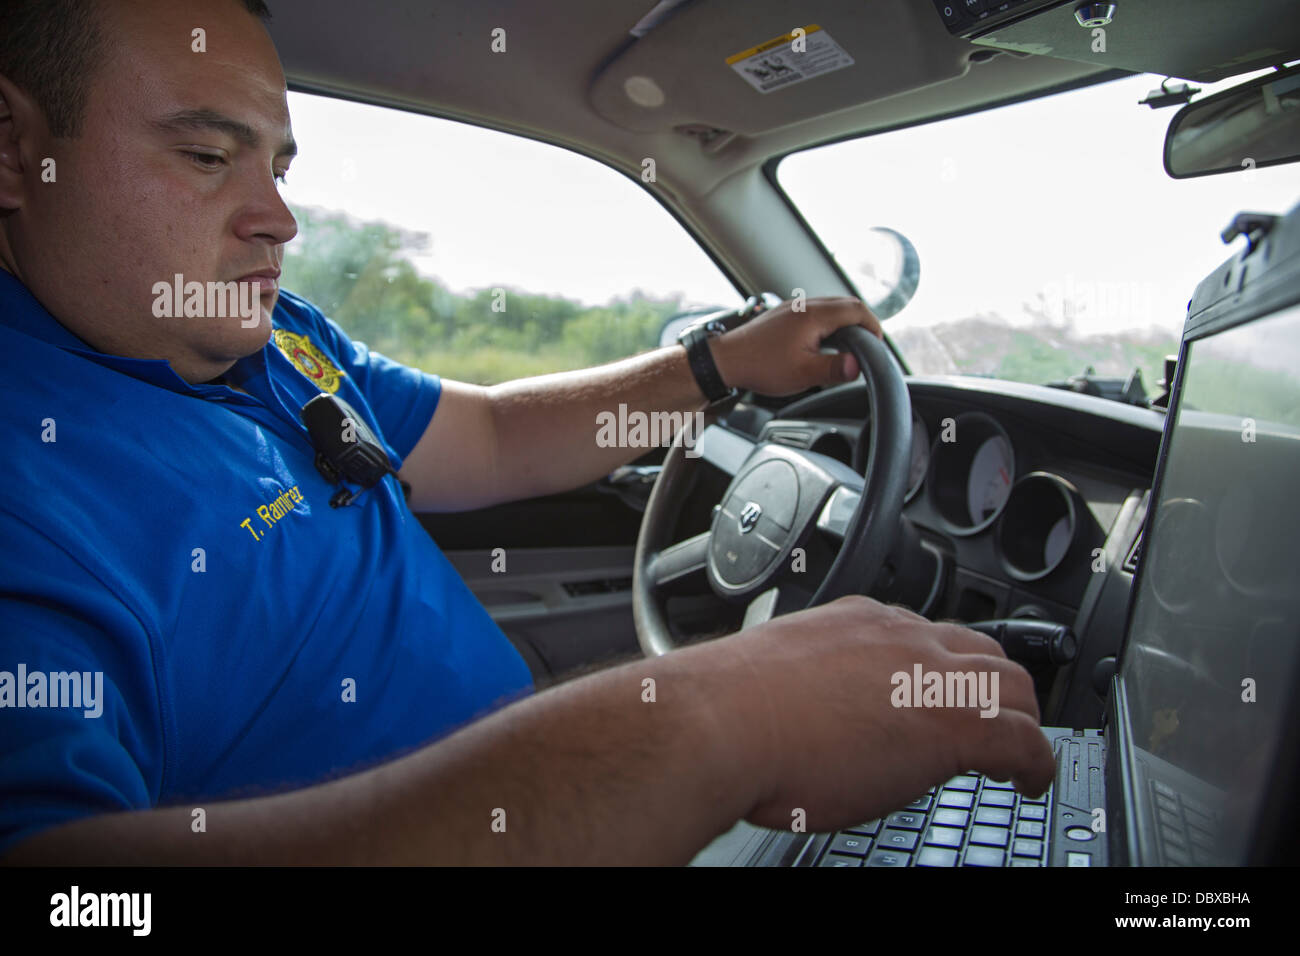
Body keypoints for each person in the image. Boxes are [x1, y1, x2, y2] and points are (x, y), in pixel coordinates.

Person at [0, 0, 1054, 865]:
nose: (278, 218)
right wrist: (711, 720)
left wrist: (715, 365)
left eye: (280, 167)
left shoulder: (277, 338)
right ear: (15, 153)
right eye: (203, 155)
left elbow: (497, 437)